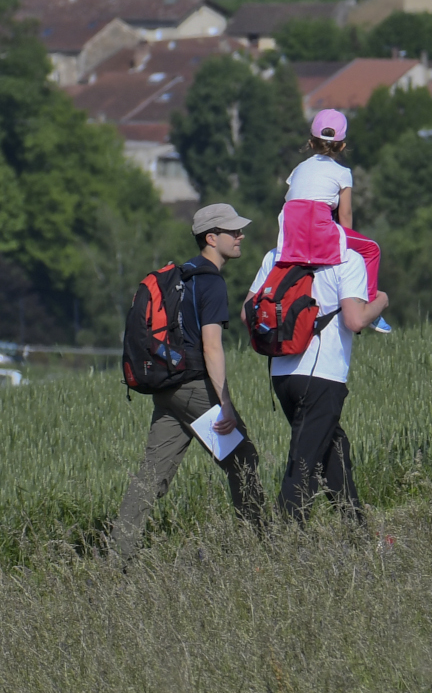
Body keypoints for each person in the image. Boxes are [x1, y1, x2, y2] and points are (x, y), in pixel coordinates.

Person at [111, 203, 267, 564]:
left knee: (152, 475)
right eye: (232, 231)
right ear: (211, 238)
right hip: (195, 388)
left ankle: (116, 560)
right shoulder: (211, 282)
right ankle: (264, 549)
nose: (240, 235)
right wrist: (224, 402)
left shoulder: (181, 277)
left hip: (167, 388)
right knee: (243, 457)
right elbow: (212, 346)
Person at [248, 226, 391, 527]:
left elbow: (247, 311)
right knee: (304, 461)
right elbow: (355, 320)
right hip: (322, 375)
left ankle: (357, 530)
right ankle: (283, 538)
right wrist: (380, 300)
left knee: (333, 450)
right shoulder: (347, 259)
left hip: (282, 374)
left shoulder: (276, 257)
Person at [278, 109, 381, 298]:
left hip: (292, 237)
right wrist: (346, 248)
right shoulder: (342, 173)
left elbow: (291, 203)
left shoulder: (298, 169)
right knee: (372, 248)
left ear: (310, 143)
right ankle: (367, 300)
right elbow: (345, 215)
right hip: (320, 235)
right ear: (342, 146)